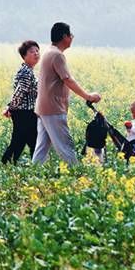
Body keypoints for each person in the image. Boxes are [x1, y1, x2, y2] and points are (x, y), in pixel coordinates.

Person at [32, 22, 101, 166]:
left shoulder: (49, 52)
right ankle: (77, 174)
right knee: (65, 145)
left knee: (42, 147)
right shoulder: (57, 55)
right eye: (71, 35)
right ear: (65, 37)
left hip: (44, 107)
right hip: (53, 108)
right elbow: (68, 80)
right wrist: (88, 96)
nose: (72, 38)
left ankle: (33, 172)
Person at [1, 40, 40, 164]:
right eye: (32, 52)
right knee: (29, 141)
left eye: (37, 51)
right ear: (24, 56)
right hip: (24, 113)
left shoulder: (28, 71)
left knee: (21, 140)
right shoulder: (26, 72)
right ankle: (36, 166)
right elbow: (20, 92)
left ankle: (9, 163)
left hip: (26, 112)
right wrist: (11, 108)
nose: (36, 53)